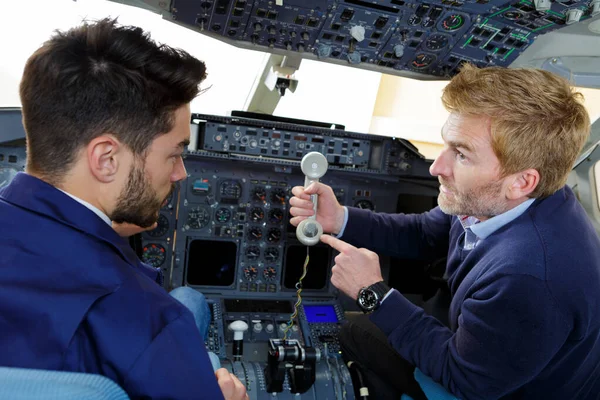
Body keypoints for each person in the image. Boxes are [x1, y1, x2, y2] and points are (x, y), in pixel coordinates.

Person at [289, 64, 600, 399]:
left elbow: (466, 379)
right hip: (498, 355)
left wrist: (373, 294)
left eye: (462, 155)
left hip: (505, 390)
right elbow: (425, 232)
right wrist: (341, 218)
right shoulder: (501, 199)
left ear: (522, 181)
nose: (437, 167)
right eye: (447, 146)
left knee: (354, 332)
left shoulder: (531, 277)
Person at [0, 19, 247, 400]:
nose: (181, 173)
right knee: (191, 304)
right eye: (175, 153)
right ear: (106, 159)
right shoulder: (152, 322)